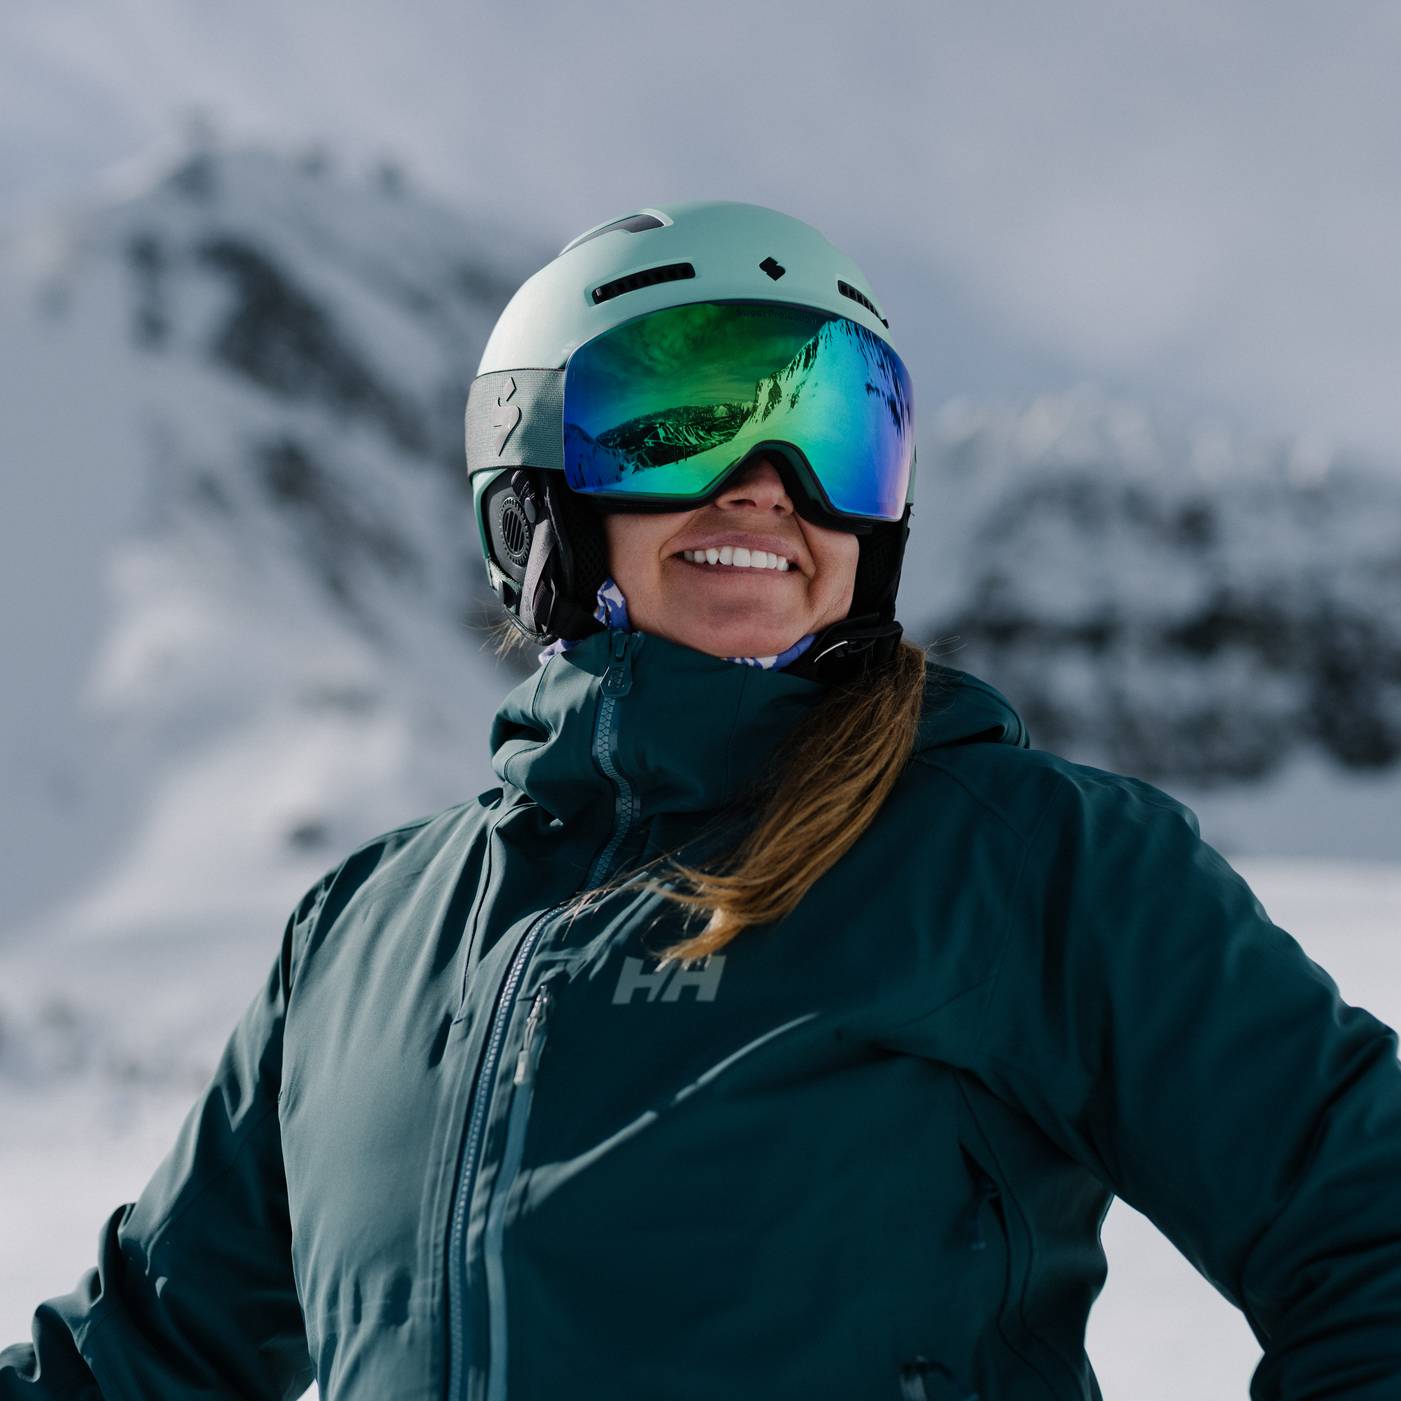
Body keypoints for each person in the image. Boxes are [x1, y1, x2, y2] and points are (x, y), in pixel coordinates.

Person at [4, 200, 1400, 1401]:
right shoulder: (362, 935)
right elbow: (145, 1356)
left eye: (832, 435)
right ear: (533, 493)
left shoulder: (1029, 862)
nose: (768, 489)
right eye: (679, 420)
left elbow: (1371, 1233)